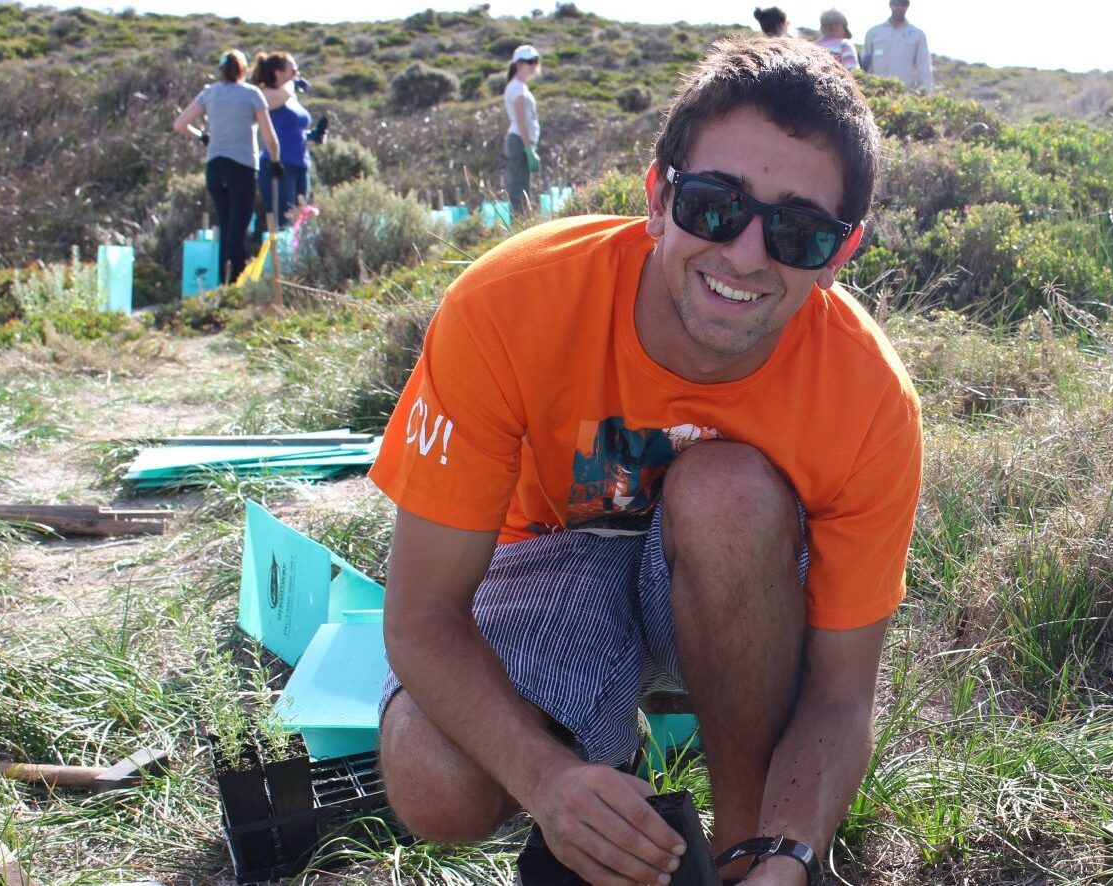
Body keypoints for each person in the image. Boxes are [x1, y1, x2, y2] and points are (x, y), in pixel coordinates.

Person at [373, 35, 920, 886]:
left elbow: (842, 696)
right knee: (434, 783)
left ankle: (740, 848)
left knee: (729, 491)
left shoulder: (868, 400)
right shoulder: (509, 304)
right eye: (714, 205)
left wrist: (787, 849)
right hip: (557, 558)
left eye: (798, 232)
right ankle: (608, 789)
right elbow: (419, 618)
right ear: (659, 197)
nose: (744, 254)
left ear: (839, 255)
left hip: (743, 587)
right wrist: (548, 783)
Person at [172, 50, 281, 286]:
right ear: (243, 70)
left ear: (221, 70)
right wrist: (275, 162)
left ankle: (224, 281)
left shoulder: (209, 93)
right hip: (241, 166)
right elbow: (269, 136)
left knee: (225, 224)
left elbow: (180, 124)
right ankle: (235, 284)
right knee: (238, 228)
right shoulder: (252, 94)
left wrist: (201, 136)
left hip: (215, 166)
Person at [249, 52, 323, 234]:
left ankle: (294, 261)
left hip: (300, 166)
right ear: (278, 73)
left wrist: (313, 135)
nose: (297, 74)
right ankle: (278, 261)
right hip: (279, 166)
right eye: (293, 70)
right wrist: (293, 84)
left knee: (300, 221)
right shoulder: (265, 95)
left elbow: (290, 130)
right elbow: (275, 103)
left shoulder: (290, 97)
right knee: (284, 222)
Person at [504, 44, 542, 218]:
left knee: (521, 186)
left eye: (535, 61)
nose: (534, 65)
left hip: (520, 140)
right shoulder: (517, 88)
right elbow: (521, 121)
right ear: (518, 64)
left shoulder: (519, 86)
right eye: (529, 61)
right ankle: (519, 227)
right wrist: (528, 148)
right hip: (520, 140)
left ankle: (520, 224)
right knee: (519, 189)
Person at [862, 0, 932, 93]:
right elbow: (863, 66)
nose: (899, 7)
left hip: (903, 96)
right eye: (896, 3)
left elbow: (924, 69)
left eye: (904, 4)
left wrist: (924, 96)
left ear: (908, 6)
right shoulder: (873, 32)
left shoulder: (918, 35)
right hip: (875, 94)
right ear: (890, 4)